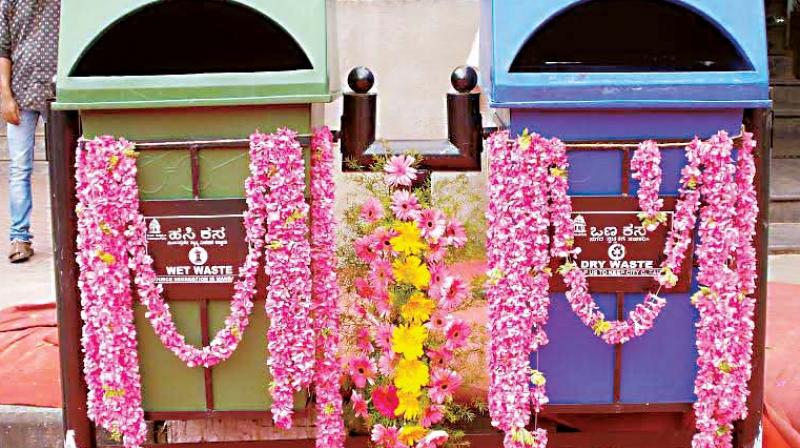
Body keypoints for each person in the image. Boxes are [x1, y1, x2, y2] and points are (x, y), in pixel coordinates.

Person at [0, 0, 60, 263]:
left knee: (67, 167)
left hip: (59, 95)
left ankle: (74, 234)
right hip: (21, 95)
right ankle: (20, 238)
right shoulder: (10, 2)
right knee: (20, 169)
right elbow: (3, 51)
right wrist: (5, 97)